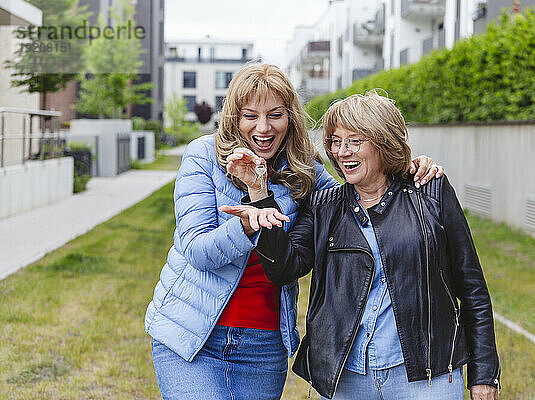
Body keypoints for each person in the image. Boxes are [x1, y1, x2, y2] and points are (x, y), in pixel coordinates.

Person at [145, 65, 444, 400]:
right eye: (250, 116)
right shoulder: (203, 156)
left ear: (290, 117)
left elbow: (356, 197)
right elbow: (198, 251)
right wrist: (246, 225)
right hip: (192, 336)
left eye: (275, 114)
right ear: (234, 118)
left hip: (263, 344)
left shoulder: (305, 171)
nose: (263, 127)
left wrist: (407, 169)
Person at [222, 90, 500, 400]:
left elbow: (472, 286)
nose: (342, 152)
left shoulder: (430, 192)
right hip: (349, 378)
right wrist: (259, 194)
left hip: (426, 378)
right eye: (336, 142)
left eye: (355, 141)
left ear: (383, 142)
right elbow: (284, 269)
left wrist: (484, 374)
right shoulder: (323, 205)